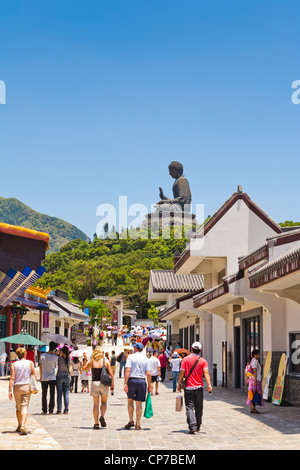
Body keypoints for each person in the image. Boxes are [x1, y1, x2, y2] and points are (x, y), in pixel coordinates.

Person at [177, 342, 212, 434]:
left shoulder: (185, 359)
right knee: (199, 407)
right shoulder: (203, 361)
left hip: (188, 388)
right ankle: (198, 425)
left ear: (191, 349)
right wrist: (209, 385)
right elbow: (206, 373)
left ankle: (192, 426)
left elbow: (181, 372)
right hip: (199, 387)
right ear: (200, 351)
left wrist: (179, 383)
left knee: (189, 407)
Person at [82, 347, 114, 429]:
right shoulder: (105, 361)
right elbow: (111, 374)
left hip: (95, 383)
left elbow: (84, 369)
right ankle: (102, 416)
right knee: (104, 402)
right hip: (104, 384)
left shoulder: (92, 362)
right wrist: (112, 385)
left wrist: (85, 360)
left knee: (96, 404)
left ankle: (96, 423)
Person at [9, 347, 38, 434]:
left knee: (18, 407)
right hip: (26, 386)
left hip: (17, 387)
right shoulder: (30, 363)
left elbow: (12, 378)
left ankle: (19, 425)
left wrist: (10, 390)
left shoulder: (14, 364)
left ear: (17, 355)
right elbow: (33, 375)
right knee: (24, 406)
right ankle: (23, 425)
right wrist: (36, 386)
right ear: (25, 354)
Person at [123, 342, 151, 431]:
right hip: (142, 381)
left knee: (130, 401)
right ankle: (138, 424)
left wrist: (125, 383)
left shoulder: (131, 357)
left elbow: (128, 370)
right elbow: (149, 373)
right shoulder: (146, 358)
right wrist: (149, 386)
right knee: (139, 404)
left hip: (132, 380)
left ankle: (131, 420)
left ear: (135, 348)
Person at [39, 341, 58, 415]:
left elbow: (40, 366)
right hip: (52, 377)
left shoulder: (42, 355)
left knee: (44, 395)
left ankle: (44, 410)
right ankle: (51, 410)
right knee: (52, 394)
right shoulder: (56, 357)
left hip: (44, 377)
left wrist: (40, 376)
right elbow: (56, 366)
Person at [246, 349, 264, 414]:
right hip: (255, 380)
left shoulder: (254, 361)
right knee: (255, 393)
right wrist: (255, 381)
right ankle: (253, 408)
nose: (259, 355)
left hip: (252, 380)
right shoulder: (255, 362)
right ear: (255, 355)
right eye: (258, 354)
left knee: (252, 393)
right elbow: (255, 372)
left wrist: (261, 365)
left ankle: (252, 408)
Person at [56, 346, 71, 414]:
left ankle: (59, 410)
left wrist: (59, 352)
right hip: (66, 375)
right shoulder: (68, 358)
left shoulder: (59, 358)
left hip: (59, 375)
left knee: (59, 394)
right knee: (66, 393)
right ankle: (66, 410)